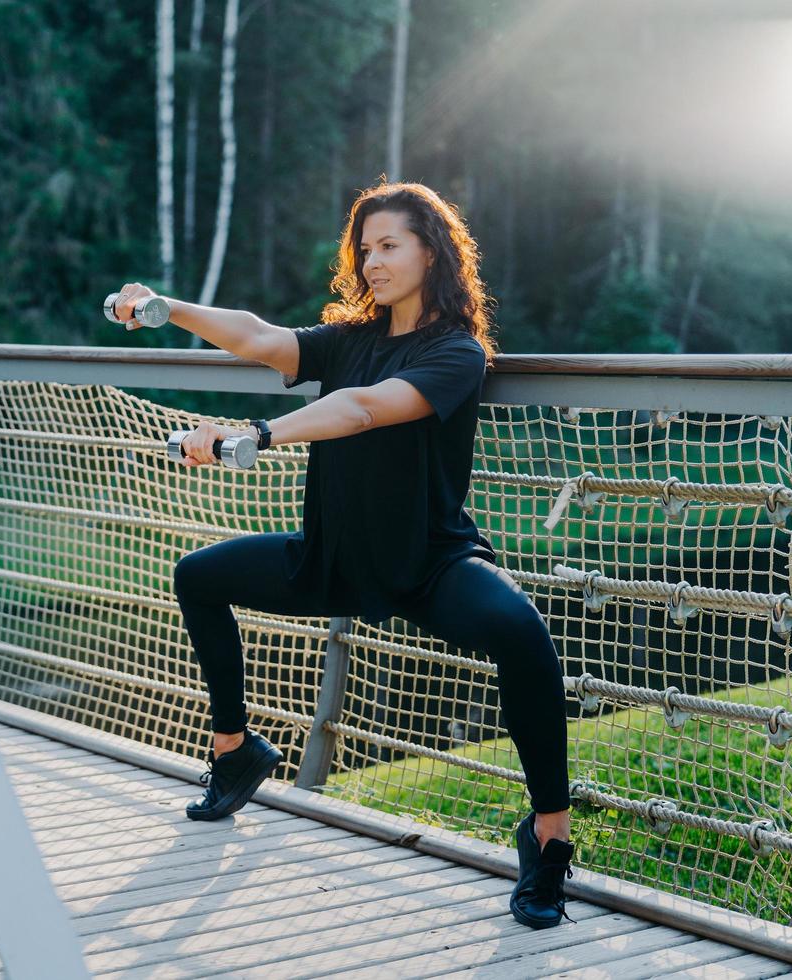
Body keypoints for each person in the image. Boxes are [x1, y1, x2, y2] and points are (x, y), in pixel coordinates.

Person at [109, 179, 576, 930]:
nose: (374, 262)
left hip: (428, 564)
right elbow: (260, 338)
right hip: (330, 559)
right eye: (365, 249)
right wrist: (168, 309)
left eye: (389, 245)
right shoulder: (348, 339)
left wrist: (258, 436)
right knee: (198, 576)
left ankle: (548, 838)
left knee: (520, 632)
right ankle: (235, 753)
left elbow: (362, 409)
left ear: (432, 250)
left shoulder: (456, 352)